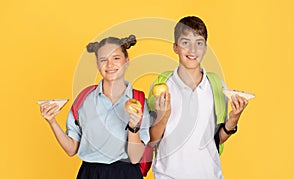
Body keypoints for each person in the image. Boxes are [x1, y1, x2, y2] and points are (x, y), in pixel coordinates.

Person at [148, 16, 249, 178]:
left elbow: (215, 141)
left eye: (199, 43)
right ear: (175, 47)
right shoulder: (162, 84)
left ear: (205, 48)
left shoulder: (216, 85)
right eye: (185, 43)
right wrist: (163, 116)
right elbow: (152, 139)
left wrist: (233, 120)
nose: (193, 50)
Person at [40, 35, 151, 179]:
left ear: (127, 61)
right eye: (103, 60)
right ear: (98, 65)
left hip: (126, 173)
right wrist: (52, 121)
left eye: (116, 58)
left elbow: (135, 158)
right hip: (91, 174)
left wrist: (133, 126)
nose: (110, 65)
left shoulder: (139, 101)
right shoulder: (84, 99)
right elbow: (71, 149)